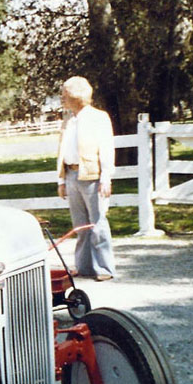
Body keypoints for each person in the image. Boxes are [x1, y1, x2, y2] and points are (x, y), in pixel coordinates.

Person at [56, 76, 116, 281]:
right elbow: (62, 150)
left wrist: (106, 177)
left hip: (91, 176)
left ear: (76, 96)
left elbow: (106, 148)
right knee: (80, 225)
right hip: (72, 174)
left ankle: (104, 269)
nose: (62, 98)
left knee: (97, 223)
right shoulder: (68, 120)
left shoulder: (98, 117)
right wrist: (61, 180)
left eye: (65, 95)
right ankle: (84, 267)